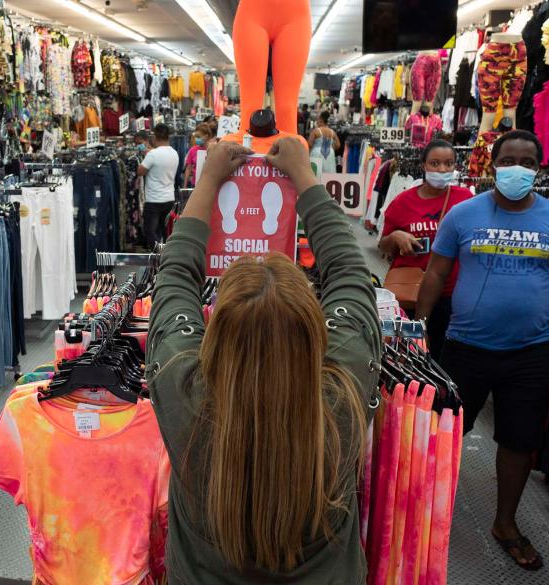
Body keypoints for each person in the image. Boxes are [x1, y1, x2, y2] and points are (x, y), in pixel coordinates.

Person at [147, 138, 381, 583]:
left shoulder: (183, 392)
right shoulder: (344, 394)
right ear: (316, 332)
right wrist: (305, 177)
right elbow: (351, 272)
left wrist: (209, 180)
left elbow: (175, 274)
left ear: (214, 333)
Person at [416, 130, 549, 571]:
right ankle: (428, 516)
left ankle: (505, 523)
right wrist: (419, 327)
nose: (517, 167)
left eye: (527, 161)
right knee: (445, 436)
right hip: (464, 347)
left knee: (518, 442)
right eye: (508, 159)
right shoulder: (462, 214)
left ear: (539, 168)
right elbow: (435, 273)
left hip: (531, 352)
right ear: (493, 165)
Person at [379, 139, 471, 357]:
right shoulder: (403, 201)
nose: (442, 169)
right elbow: (383, 245)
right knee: (407, 355)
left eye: (449, 164)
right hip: (410, 292)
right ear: (423, 166)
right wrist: (395, 236)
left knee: (444, 355)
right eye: (435, 163)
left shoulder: (466, 200)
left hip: (451, 295)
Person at [137, 124, 180, 248]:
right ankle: (167, 255)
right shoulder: (174, 153)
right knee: (166, 231)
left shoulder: (153, 154)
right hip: (169, 198)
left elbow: (140, 171)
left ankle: (158, 256)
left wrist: (145, 156)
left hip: (154, 200)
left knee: (150, 231)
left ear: (155, 137)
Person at [307, 111, 340, 176]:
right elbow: (338, 144)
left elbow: (309, 144)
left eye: (317, 120)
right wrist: (331, 147)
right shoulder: (332, 131)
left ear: (321, 120)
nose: (316, 122)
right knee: (329, 173)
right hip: (329, 153)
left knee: (316, 173)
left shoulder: (316, 131)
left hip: (316, 153)